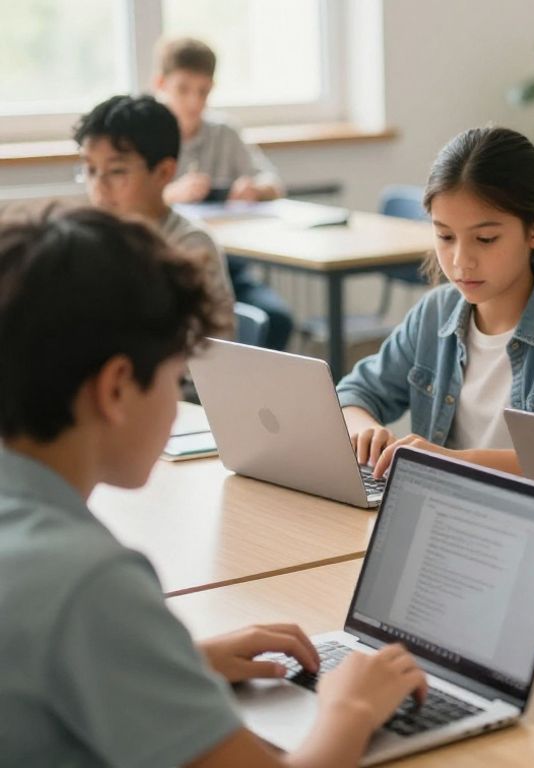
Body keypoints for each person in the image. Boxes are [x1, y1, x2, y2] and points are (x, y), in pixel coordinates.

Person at [0, 207, 428, 766]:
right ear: (116, 388)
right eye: (177, 375)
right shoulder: (90, 584)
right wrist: (353, 706)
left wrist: (173, 665)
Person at [338, 127, 534, 479]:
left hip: (531, 512)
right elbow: (352, 394)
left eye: (486, 239)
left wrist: (451, 460)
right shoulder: (435, 314)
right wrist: (366, 431)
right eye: (445, 236)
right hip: (439, 505)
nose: (461, 260)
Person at [155, 36, 295, 350]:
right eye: (183, 89)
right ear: (161, 84)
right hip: (173, 268)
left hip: (229, 266)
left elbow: (273, 182)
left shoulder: (224, 132)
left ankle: (254, 383)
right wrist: (171, 194)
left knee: (277, 319)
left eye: (203, 91)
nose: (194, 102)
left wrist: (255, 189)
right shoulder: (148, 134)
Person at [73, 94, 233, 324]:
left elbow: (213, 335)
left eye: (116, 171)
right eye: (90, 170)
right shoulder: (86, 239)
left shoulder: (189, 246)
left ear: (164, 172)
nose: (98, 186)